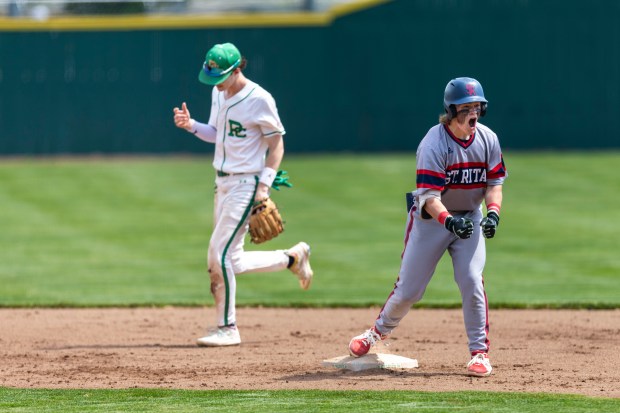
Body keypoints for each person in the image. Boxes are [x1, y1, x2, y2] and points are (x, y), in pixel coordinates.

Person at [348, 77, 507, 377]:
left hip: (470, 217)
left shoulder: (488, 139)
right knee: (409, 289)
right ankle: (376, 333)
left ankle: (479, 353)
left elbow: (494, 184)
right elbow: (430, 199)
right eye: (466, 108)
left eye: (478, 107)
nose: (473, 114)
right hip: (431, 220)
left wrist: (494, 213)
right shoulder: (434, 144)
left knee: (472, 279)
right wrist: (449, 221)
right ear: (451, 110)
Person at [172, 42, 313, 347]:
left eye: (220, 77)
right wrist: (192, 126)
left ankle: (228, 328)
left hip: (246, 184)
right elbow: (215, 133)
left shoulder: (259, 99)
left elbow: (277, 146)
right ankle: (292, 258)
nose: (216, 84)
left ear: (237, 69)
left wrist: (264, 187)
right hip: (221, 183)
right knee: (230, 261)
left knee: (217, 254)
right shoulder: (218, 93)